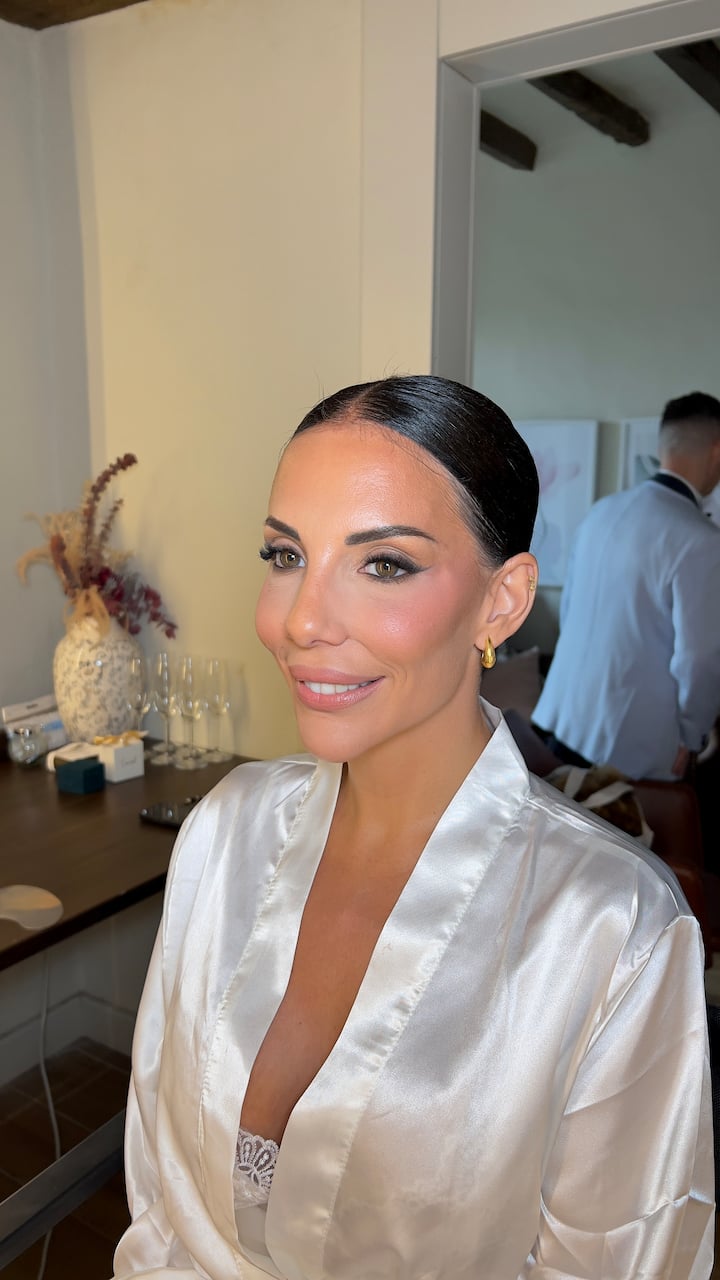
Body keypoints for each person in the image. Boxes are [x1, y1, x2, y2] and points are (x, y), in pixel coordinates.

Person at [114, 376, 713, 1280]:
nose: (301, 621)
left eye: (384, 565)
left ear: (502, 602)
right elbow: (161, 1202)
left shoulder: (612, 928)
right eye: (285, 555)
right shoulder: (226, 831)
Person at [533, 391, 720, 781]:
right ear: (716, 452)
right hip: (628, 743)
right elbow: (700, 659)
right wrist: (692, 735)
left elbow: (569, 610)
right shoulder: (701, 540)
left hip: (562, 717)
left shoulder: (603, 511)